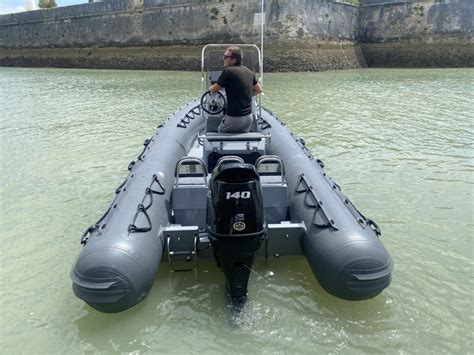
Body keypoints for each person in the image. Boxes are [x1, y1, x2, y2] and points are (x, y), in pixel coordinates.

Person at [209, 46, 263, 133]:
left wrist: (211, 87)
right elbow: (259, 90)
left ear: (234, 59)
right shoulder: (249, 71)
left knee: (220, 134)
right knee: (242, 140)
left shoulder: (228, 72)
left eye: (226, 57)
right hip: (248, 118)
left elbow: (214, 89)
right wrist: (244, 95)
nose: (224, 59)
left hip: (233, 118)